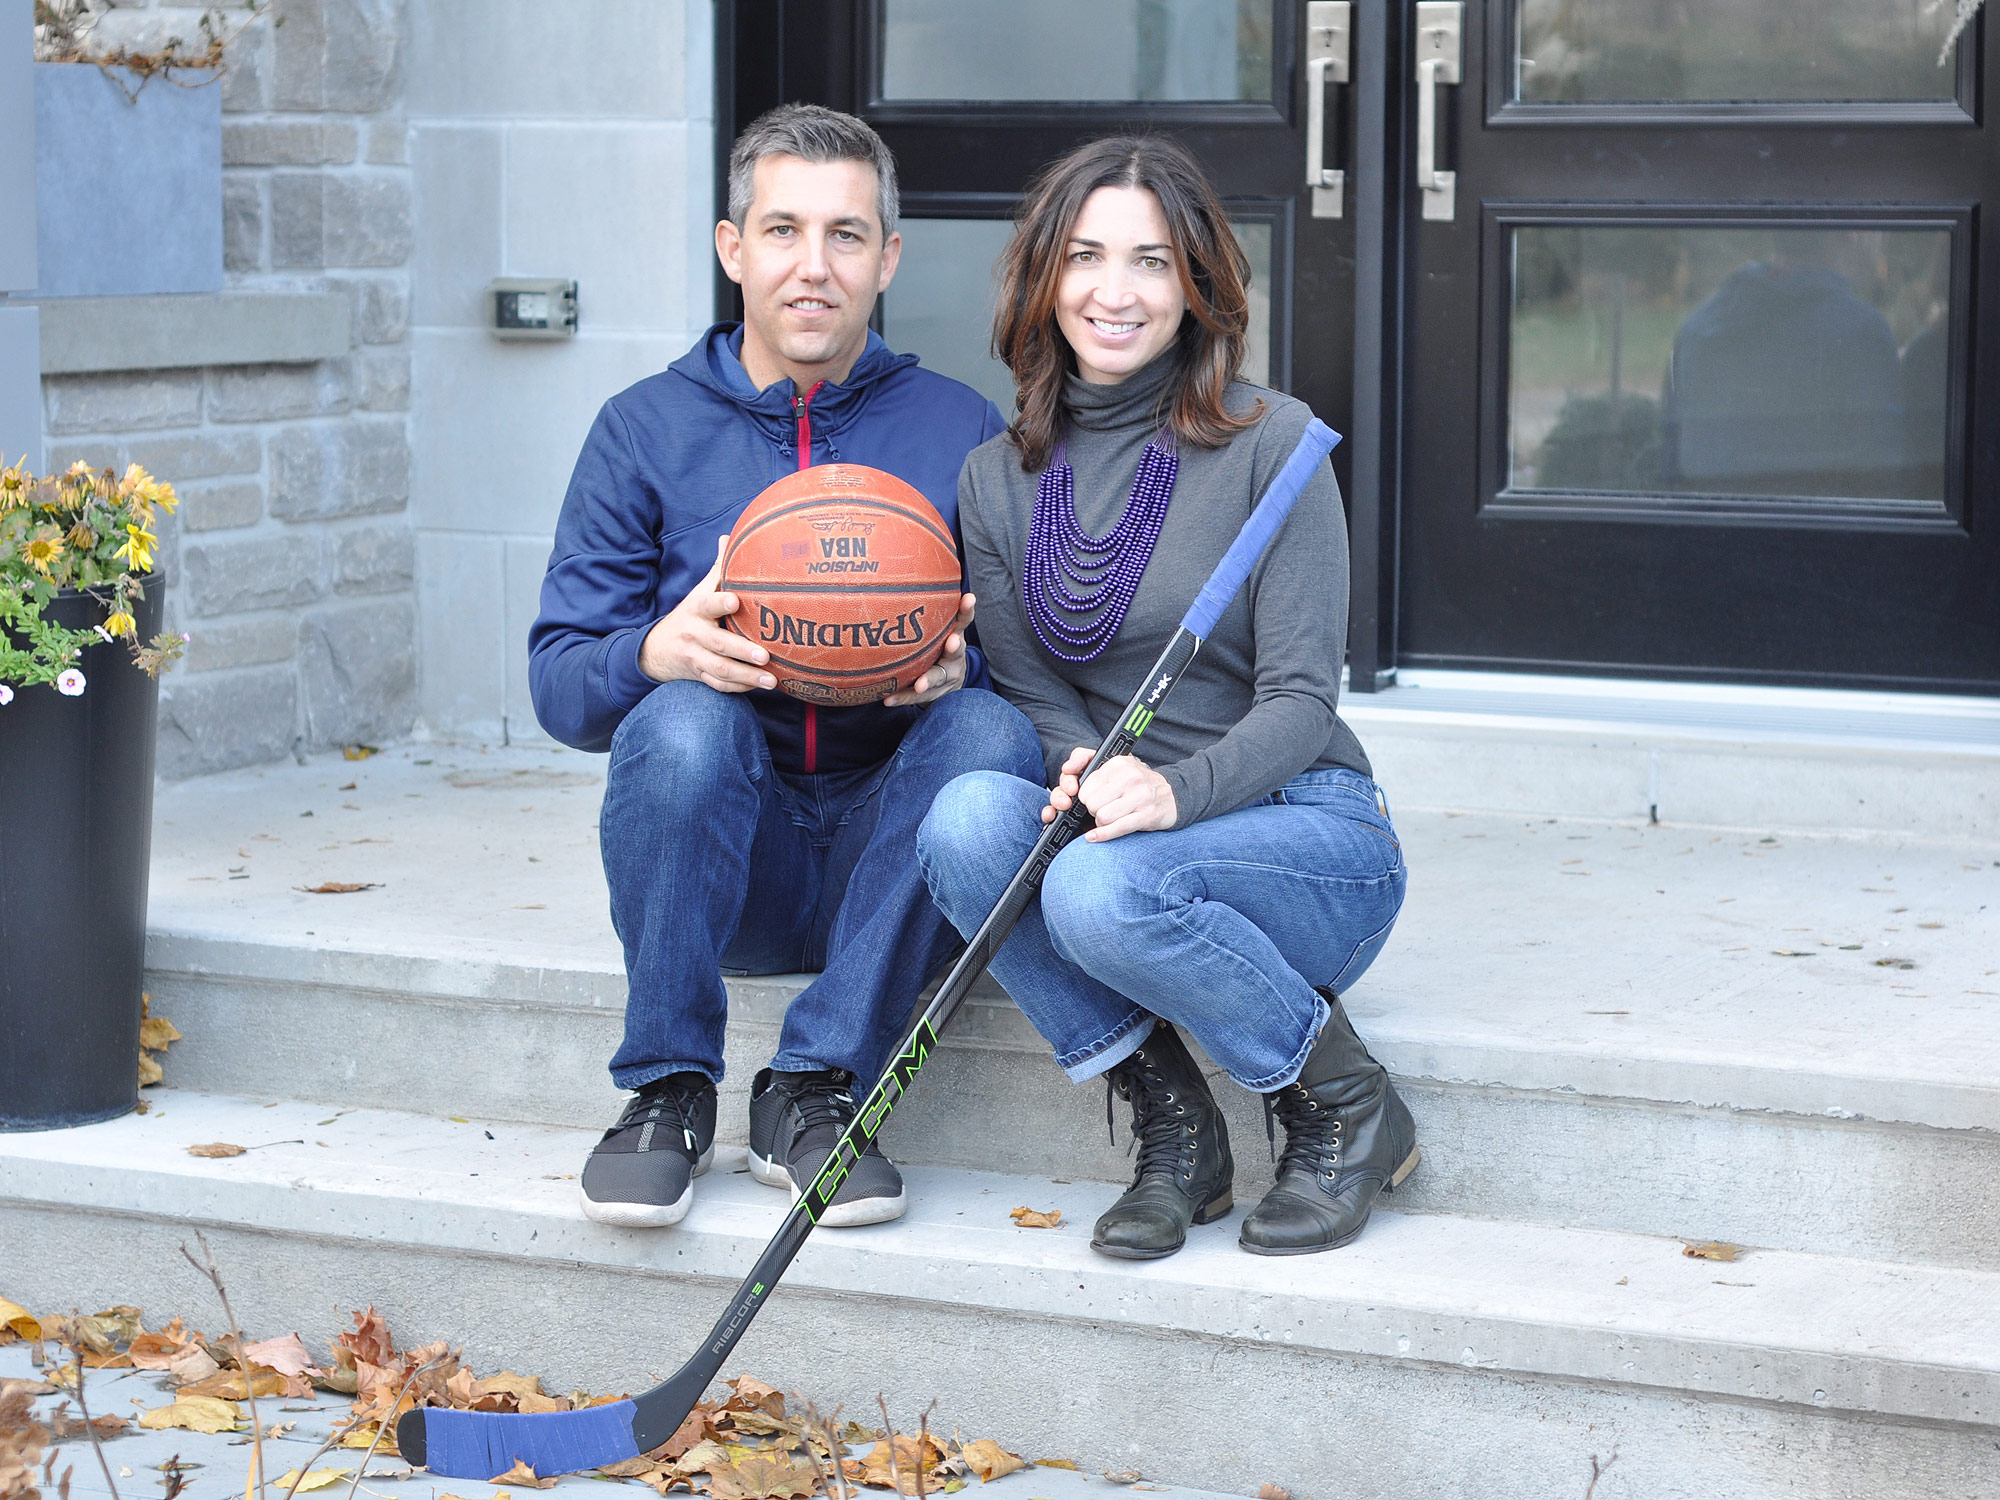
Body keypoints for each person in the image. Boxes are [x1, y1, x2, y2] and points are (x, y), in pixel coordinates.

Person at [529, 104, 1044, 1231]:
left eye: (846, 236)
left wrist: (965, 676)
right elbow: (560, 683)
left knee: (993, 739)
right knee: (679, 720)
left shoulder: (961, 431)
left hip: (892, 862)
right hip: (731, 864)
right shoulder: (642, 429)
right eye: (781, 231)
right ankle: (664, 1089)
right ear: (731, 248)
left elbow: (1038, 685)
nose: (813, 267)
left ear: (888, 259)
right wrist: (653, 649)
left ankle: (814, 1087)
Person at [916, 135, 1414, 1260]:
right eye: (1086, 256)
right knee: (960, 826)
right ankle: (1178, 1130)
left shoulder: (1270, 445)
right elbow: (1040, 691)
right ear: (1043, 276)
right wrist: (1078, 765)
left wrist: (1171, 795)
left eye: (1150, 261)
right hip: (1124, 834)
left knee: (1093, 891)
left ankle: (1340, 1101)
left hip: (1303, 835)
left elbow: (1298, 700)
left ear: (1194, 286)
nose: (1114, 290)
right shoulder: (995, 480)